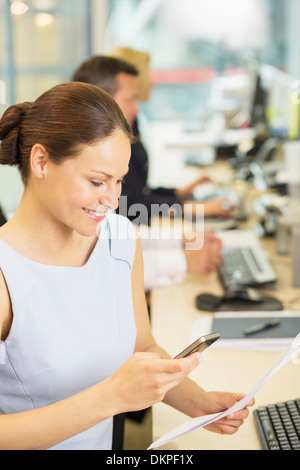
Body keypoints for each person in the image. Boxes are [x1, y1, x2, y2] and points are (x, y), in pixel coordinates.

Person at [0, 82, 253, 450]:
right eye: (97, 181)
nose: (113, 199)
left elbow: (143, 347)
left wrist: (199, 403)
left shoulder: (119, 237)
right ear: (40, 162)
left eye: (118, 180)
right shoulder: (6, 276)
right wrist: (110, 398)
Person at [72, 55, 224, 291]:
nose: (137, 108)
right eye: (131, 99)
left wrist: (179, 240)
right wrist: (181, 260)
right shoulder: (78, 167)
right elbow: (97, 272)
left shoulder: (100, 158)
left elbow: (116, 232)